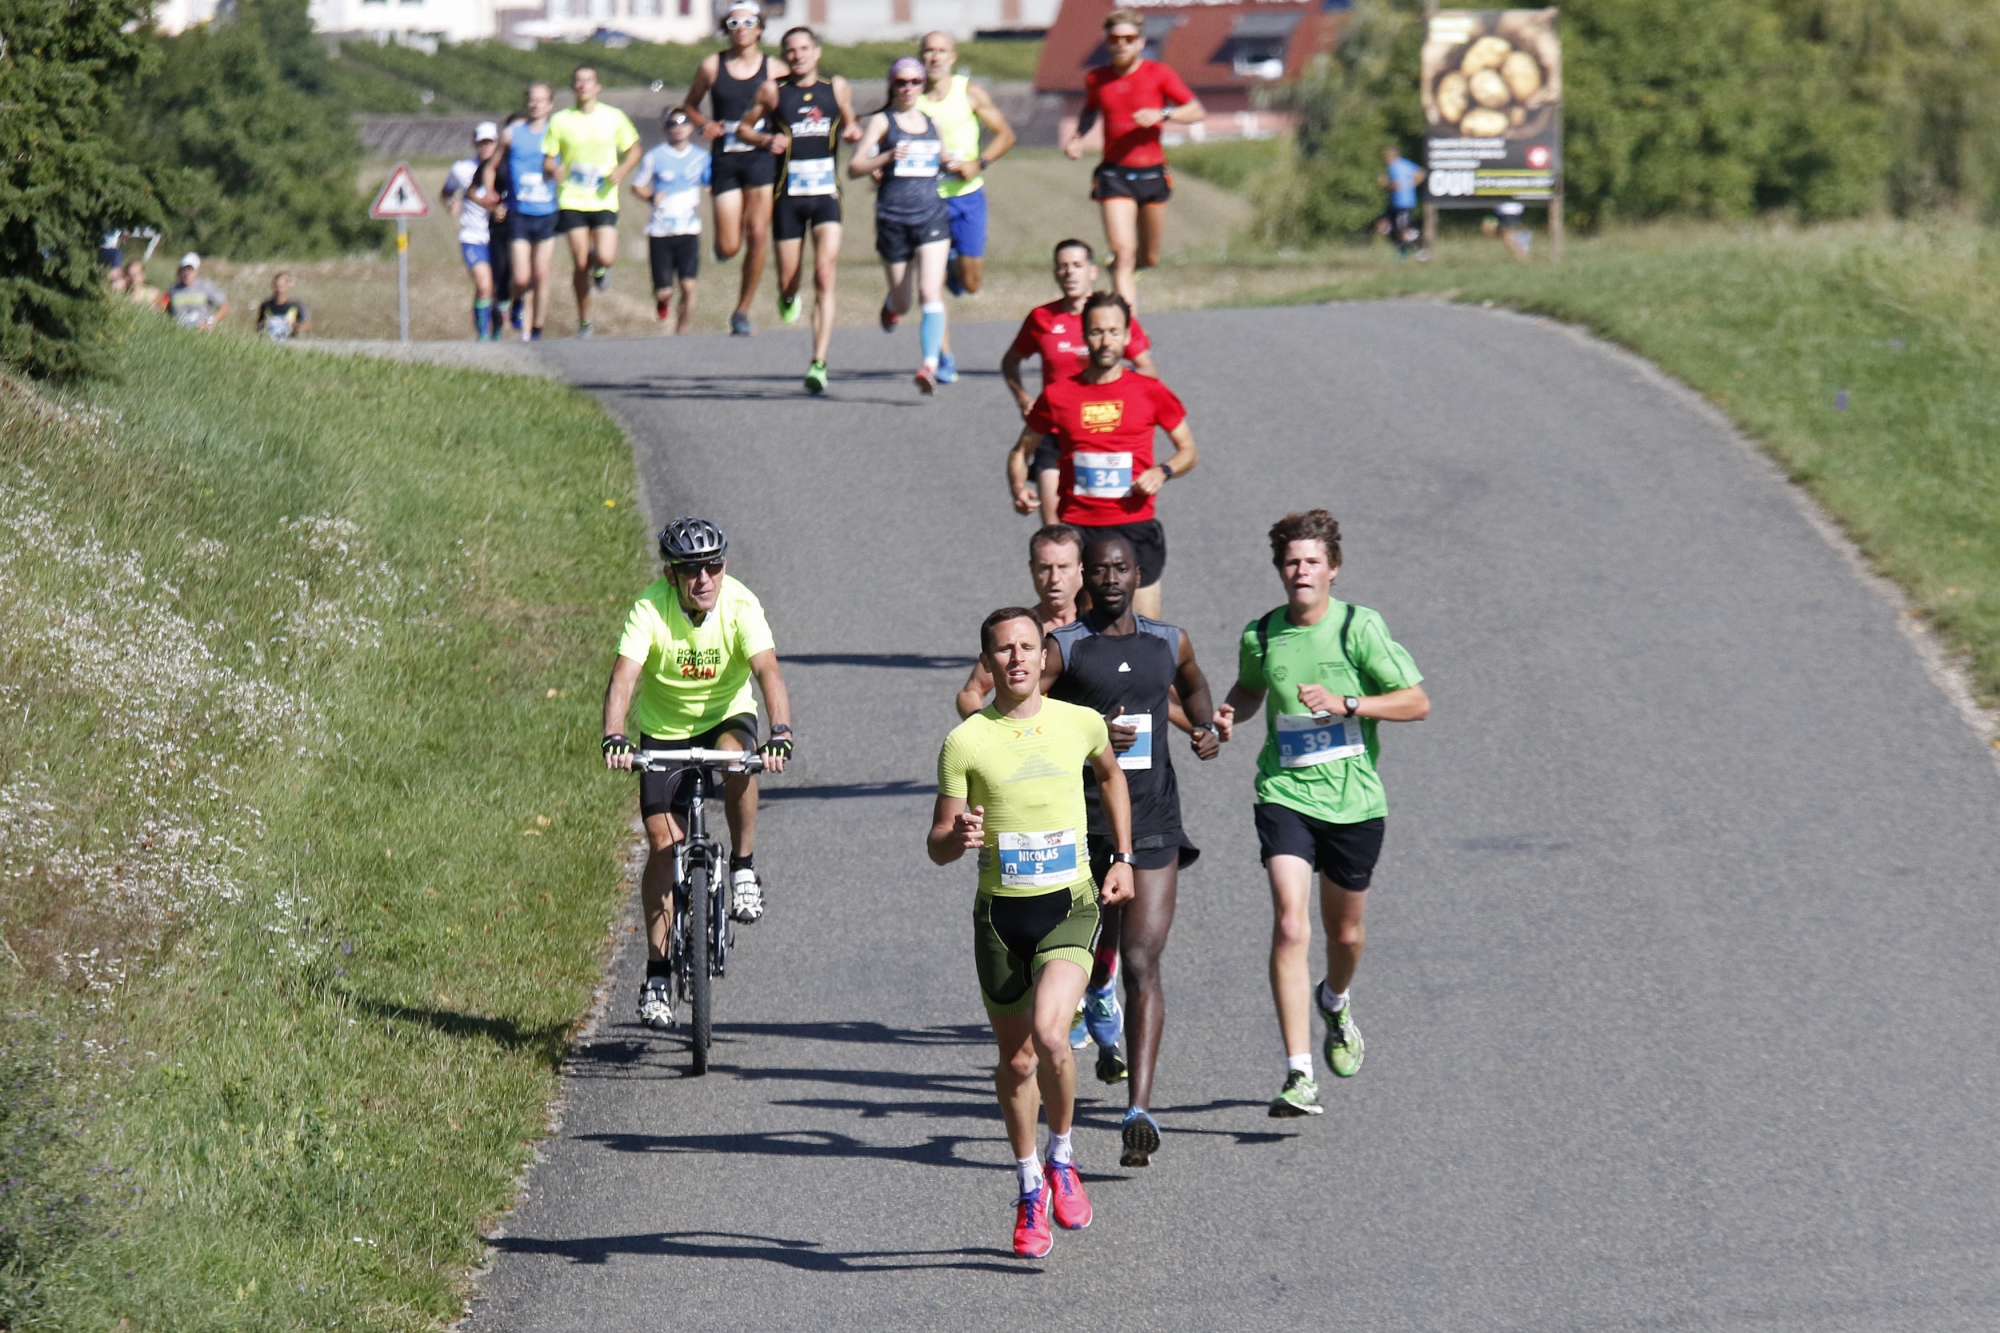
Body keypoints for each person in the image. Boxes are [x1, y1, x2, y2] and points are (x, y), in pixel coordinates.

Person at [928, 606, 1135, 1259]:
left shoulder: (1079, 722)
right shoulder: (966, 741)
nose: (1016, 658)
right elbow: (936, 842)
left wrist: (1123, 857)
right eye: (1003, 650)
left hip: (1069, 903)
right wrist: (955, 838)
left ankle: (1063, 1156)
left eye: (1026, 646)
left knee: (1051, 1033)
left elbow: (1110, 775)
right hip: (999, 918)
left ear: (1043, 654)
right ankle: (1027, 1188)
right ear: (987, 663)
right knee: (1017, 1060)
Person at [1211, 510, 1430, 1118]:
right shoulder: (1262, 634)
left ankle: (1335, 1000)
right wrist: (1230, 713)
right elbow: (1251, 688)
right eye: (1291, 561)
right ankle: (1298, 1073)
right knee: (1289, 923)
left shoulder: (1360, 628)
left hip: (1355, 802)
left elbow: (1416, 702)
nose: (1300, 570)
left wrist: (1348, 702)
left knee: (1345, 934)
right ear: (1279, 569)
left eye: (1311, 561)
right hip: (1285, 794)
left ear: (1333, 569)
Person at [1041, 534, 1219, 1165]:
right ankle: (1065, 1048)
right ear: (1086, 577)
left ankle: (1138, 1109)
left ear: (1137, 574)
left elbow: (1193, 687)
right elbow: (1022, 716)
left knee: (1144, 961)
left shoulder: (1168, 642)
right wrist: (1086, 734)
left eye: (1122, 568)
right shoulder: (1064, 649)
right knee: (1074, 958)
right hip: (1078, 827)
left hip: (1151, 823)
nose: (1112, 578)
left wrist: (1203, 729)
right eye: (1101, 569)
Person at [601, 518, 795, 1032]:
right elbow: (623, 677)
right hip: (664, 734)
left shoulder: (740, 604)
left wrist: (780, 731)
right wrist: (614, 736)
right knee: (665, 847)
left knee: (738, 760)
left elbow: (768, 670)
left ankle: (744, 869)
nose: (704, 578)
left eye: (713, 566)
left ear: (724, 566)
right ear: (671, 575)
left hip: (725, 719)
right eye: (691, 569)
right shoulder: (649, 608)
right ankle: (658, 975)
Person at [1006, 292, 1195, 620]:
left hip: (1135, 525)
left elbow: (1189, 451)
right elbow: (1022, 451)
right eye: (1097, 332)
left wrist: (1162, 471)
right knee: (1084, 641)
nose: (1106, 341)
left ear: (1126, 336)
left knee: (1148, 635)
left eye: (1114, 332)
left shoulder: (1150, 391)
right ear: (1084, 335)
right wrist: (1018, 486)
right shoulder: (1058, 395)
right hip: (1079, 529)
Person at [736, 25, 860, 393]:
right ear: (784, 56)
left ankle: (818, 362)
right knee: (789, 281)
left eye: (804, 48)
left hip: (826, 196)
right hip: (788, 197)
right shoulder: (773, 91)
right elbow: (743, 129)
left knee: (825, 274)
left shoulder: (835, 87)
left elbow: (850, 122)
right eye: (791, 50)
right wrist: (764, 138)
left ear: (816, 52)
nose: (798, 55)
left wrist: (853, 131)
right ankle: (788, 294)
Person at [1003, 239, 1159, 525]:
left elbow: (1147, 369)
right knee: (1054, 529)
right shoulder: (1042, 318)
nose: (1069, 273)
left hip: (1102, 429)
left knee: (1105, 524)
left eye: (1077, 265)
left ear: (1092, 271)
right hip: (1055, 429)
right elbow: (1010, 362)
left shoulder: (1113, 317)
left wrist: (1128, 399)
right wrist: (1024, 399)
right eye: (1062, 267)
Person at [1062, 8, 1204, 307]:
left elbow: (1196, 110)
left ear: (1140, 42)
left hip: (1152, 174)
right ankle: (1126, 329)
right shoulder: (1096, 78)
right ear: (1108, 42)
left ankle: (1131, 268)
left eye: (1129, 38)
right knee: (1123, 253)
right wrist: (1077, 136)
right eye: (1115, 39)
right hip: (1114, 175)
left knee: (1148, 257)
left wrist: (1162, 113)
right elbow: (1090, 110)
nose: (1122, 44)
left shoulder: (1159, 74)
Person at [849, 57, 959, 395]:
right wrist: (886, 157)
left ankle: (929, 364)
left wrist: (950, 162)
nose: (908, 88)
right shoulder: (882, 123)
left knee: (930, 291)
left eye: (914, 82)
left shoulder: (931, 123)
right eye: (901, 82)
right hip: (893, 219)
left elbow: (941, 161)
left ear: (923, 85)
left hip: (931, 217)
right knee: (903, 302)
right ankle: (891, 308)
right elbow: (854, 167)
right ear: (891, 85)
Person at [915, 29, 1016, 383]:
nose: (935, 57)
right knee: (931, 284)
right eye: (928, 51)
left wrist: (979, 163)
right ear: (921, 56)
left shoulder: (968, 92)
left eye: (942, 51)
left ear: (953, 57)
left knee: (972, 284)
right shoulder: (912, 96)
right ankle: (943, 358)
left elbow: (1006, 134)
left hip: (967, 195)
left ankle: (958, 267)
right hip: (927, 200)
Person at [683, 0, 783, 337]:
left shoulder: (775, 69)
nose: (740, 29)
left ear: (760, 29)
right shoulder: (712, 66)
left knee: (757, 233)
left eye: (747, 22)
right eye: (733, 24)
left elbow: (792, 106)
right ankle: (724, 244)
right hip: (726, 158)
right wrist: (703, 124)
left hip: (760, 156)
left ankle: (742, 310)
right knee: (729, 246)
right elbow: (690, 106)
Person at [543, 66, 642, 339]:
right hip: (572, 197)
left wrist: (623, 170)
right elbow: (549, 158)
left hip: (604, 197)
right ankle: (585, 318)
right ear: (573, 87)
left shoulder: (613, 117)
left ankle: (602, 269)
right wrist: (553, 170)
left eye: (589, 81)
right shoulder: (561, 120)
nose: (583, 85)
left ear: (598, 87)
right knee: (580, 262)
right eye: (578, 81)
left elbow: (635, 148)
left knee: (605, 256)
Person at [956, 524, 1084, 719]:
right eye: (1045, 568)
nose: (1055, 578)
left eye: (1064, 567)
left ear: (1080, 568)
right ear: (1032, 569)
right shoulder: (1020, 631)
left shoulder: (1101, 626)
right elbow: (971, 692)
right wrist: (987, 728)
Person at [485, 84, 559, 341]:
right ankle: (516, 302)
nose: (536, 104)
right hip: (519, 213)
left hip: (547, 212)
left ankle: (536, 329)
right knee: (522, 276)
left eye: (541, 100)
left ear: (550, 105)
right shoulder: (512, 133)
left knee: (540, 274)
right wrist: (490, 192)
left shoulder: (558, 133)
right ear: (527, 103)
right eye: (532, 100)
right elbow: (490, 166)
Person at [630, 107, 710, 335]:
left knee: (689, 285)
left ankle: (681, 330)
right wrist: (650, 196)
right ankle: (663, 300)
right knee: (665, 291)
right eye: (673, 124)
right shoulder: (654, 156)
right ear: (666, 128)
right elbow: (637, 186)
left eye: (684, 123)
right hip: (660, 230)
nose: (679, 128)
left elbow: (711, 181)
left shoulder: (701, 157)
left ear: (692, 128)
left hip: (688, 229)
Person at [444, 122, 505, 340]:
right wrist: (451, 203)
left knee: (499, 290)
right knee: (484, 284)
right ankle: (483, 337)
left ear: (497, 143)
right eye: (481, 143)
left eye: (489, 142)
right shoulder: (461, 169)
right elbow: (447, 191)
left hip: (498, 236)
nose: (485, 147)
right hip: (472, 235)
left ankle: (496, 332)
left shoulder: (504, 168)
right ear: (475, 144)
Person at [1378, 145, 1427, 260]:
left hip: (1403, 203)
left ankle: (1422, 248)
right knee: (1384, 225)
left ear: (1391, 156)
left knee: (1403, 229)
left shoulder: (1396, 167)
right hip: (1396, 203)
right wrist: (1411, 183)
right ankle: (1402, 249)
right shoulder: (1402, 164)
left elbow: (1396, 186)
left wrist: (1385, 184)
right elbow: (1421, 172)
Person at [164, 253, 228, 331]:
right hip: (177, 329)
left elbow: (225, 307)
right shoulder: (173, 289)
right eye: (184, 269)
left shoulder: (206, 286)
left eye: (190, 269)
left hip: (200, 330)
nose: (186, 273)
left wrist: (211, 322)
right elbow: (165, 307)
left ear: (197, 271)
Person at [254, 271, 310, 341]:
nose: (278, 290)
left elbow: (307, 323)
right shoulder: (266, 305)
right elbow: (259, 326)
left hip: (290, 342)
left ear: (288, 286)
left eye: (281, 287)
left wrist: (296, 326)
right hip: (270, 343)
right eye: (276, 286)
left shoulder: (296, 305)